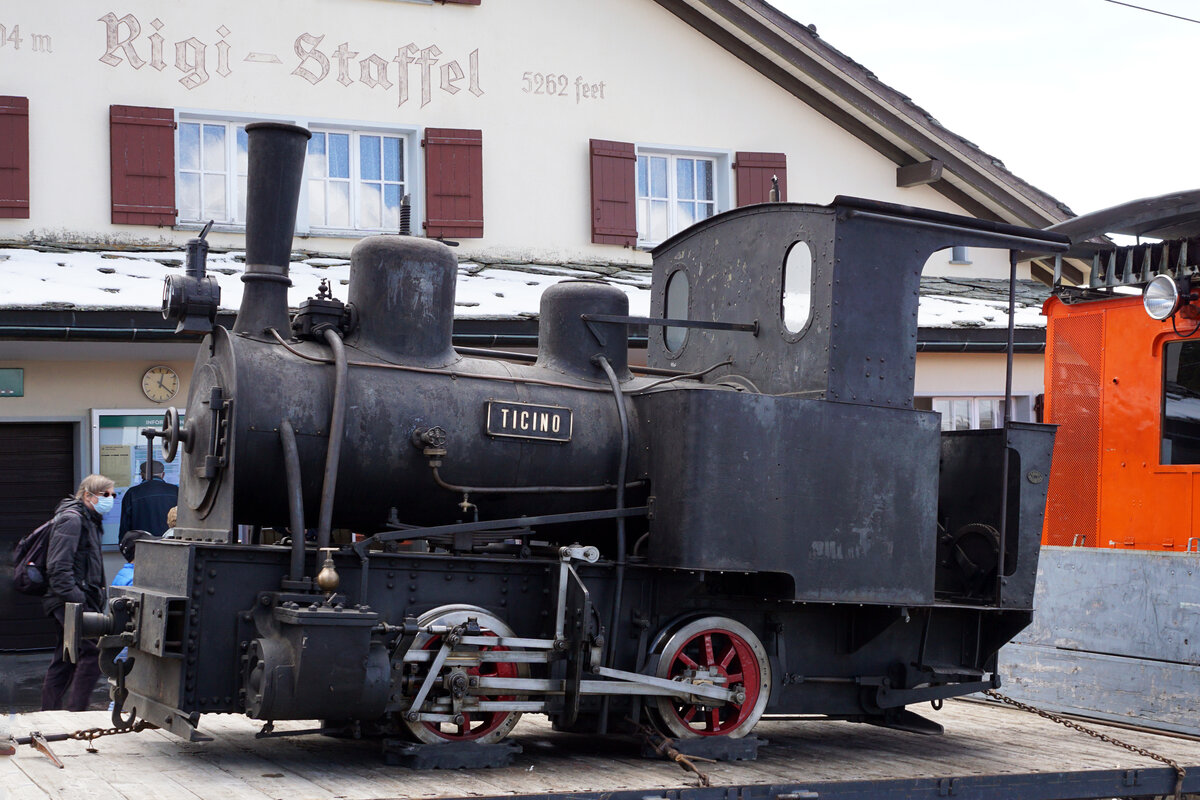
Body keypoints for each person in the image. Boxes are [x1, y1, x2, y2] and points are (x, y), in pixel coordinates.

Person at [41, 474, 112, 711]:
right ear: (87, 495)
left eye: (112, 495)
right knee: (92, 654)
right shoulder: (72, 520)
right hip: (68, 601)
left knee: (66, 658)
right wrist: (78, 600)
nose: (110, 499)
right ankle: (77, 713)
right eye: (105, 495)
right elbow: (58, 567)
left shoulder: (89, 519)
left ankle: (49, 713)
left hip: (75, 600)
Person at [118, 460, 178, 538]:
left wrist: (123, 543)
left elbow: (125, 524)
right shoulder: (175, 491)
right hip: (170, 541)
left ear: (142, 475)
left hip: (141, 543)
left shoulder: (132, 493)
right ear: (163, 475)